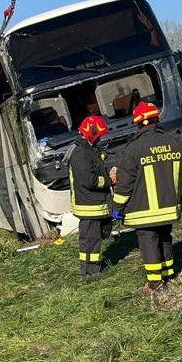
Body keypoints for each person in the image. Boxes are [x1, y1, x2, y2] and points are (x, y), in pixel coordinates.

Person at [111, 101, 182, 293]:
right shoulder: (175, 143)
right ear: (157, 119)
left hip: (143, 211)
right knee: (164, 237)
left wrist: (117, 207)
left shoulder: (134, 148)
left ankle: (155, 283)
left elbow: (124, 184)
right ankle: (169, 271)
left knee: (149, 242)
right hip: (169, 207)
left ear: (137, 123)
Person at [69, 114, 112, 275]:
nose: (100, 139)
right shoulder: (80, 153)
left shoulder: (87, 150)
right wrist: (109, 181)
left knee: (91, 239)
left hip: (93, 204)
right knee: (91, 240)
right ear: (92, 133)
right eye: (99, 136)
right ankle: (91, 270)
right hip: (89, 205)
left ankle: (88, 269)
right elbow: (90, 181)